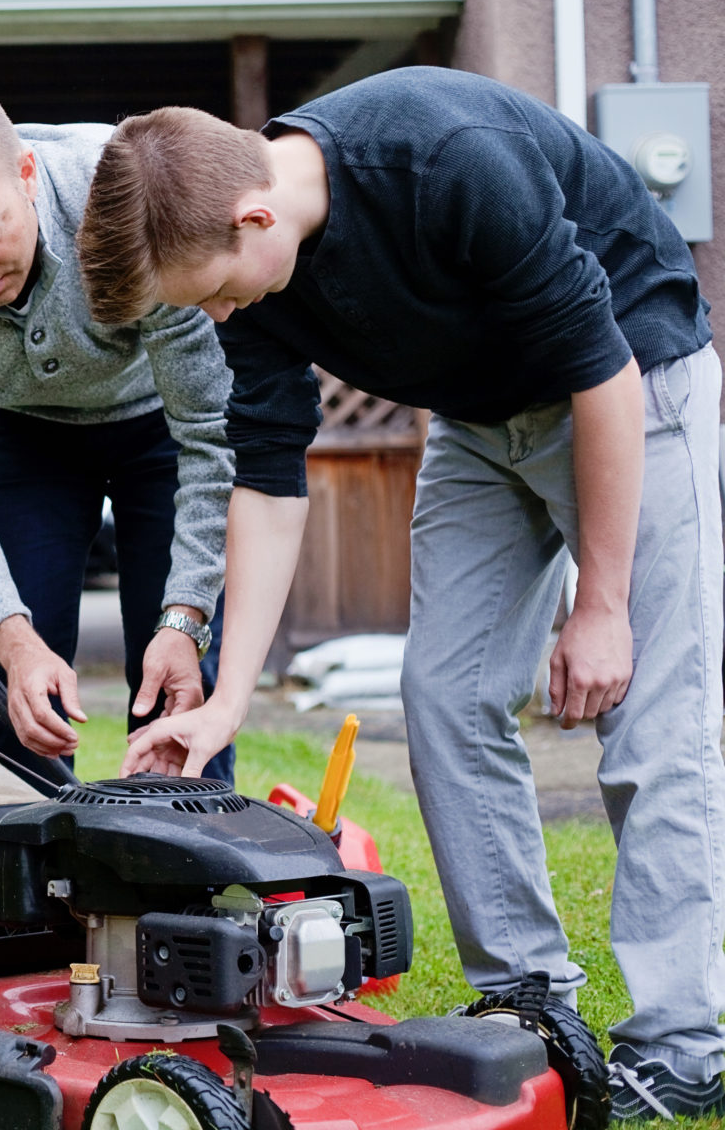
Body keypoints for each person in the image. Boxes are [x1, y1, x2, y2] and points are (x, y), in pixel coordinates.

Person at [79, 66, 724, 1119]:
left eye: (212, 291)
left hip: (633, 386)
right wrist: (226, 699)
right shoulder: (252, 267)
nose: (217, 312)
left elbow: (598, 371)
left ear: (254, 213)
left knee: (653, 720)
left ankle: (679, 1044)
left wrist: (598, 602)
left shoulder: (446, 158)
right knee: (446, 691)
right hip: (481, 419)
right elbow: (268, 479)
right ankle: (525, 993)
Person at [0, 75, 235, 782]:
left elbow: (211, 433)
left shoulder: (127, 196)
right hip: (19, 432)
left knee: (177, 677)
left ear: (26, 173)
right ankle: (28, 880)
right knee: (8, 691)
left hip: (160, 423)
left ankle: (193, 871)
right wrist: (12, 639)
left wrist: (184, 618)